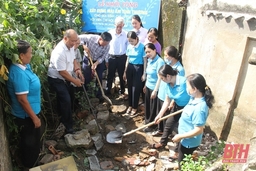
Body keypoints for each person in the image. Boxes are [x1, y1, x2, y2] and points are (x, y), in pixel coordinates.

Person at [7, 40, 42, 168]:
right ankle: (30, 167)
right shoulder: (18, 73)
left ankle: (33, 164)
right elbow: (22, 99)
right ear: (21, 55)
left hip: (31, 113)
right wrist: (34, 118)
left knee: (33, 144)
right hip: (26, 117)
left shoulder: (25, 66)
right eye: (30, 53)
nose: (31, 55)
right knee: (30, 145)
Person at [172, 73, 214, 170]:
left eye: (187, 86)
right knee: (182, 158)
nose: (186, 89)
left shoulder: (199, 108)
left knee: (183, 165)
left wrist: (180, 136)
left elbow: (198, 130)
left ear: (194, 89)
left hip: (189, 142)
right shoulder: (194, 98)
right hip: (185, 138)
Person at [48, 29, 84, 134]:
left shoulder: (71, 47)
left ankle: (66, 116)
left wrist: (77, 69)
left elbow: (73, 60)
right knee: (66, 99)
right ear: (65, 38)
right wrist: (75, 81)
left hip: (66, 76)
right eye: (72, 41)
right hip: (57, 78)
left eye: (75, 41)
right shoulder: (59, 52)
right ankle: (68, 127)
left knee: (70, 97)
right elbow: (62, 72)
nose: (74, 44)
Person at [152, 65, 190, 155]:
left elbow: (193, 96)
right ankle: (162, 142)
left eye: (162, 78)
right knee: (168, 124)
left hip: (187, 110)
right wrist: (160, 115)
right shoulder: (168, 84)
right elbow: (167, 100)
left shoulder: (184, 83)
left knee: (181, 130)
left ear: (168, 76)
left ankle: (178, 151)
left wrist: (188, 108)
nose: (162, 80)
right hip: (177, 107)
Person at [152, 46, 185, 136]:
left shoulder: (180, 69)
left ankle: (165, 133)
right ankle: (160, 129)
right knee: (160, 113)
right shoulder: (167, 65)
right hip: (163, 93)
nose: (165, 57)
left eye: (166, 55)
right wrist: (156, 90)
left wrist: (173, 101)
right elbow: (160, 78)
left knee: (167, 118)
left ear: (172, 56)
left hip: (170, 97)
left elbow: (178, 88)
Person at [79, 32, 112, 101]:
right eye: (104, 43)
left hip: (98, 61)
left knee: (99, 76)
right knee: (86, 77)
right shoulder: (91, 38)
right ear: (100, 39)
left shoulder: (107, 46)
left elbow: (103, 57)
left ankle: (99, 94)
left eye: (107, 44)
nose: (105, 46)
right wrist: (84, 46)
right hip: (88, 59)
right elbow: (78, 38)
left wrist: (96, 64)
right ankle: (86, 95)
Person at [142, 43, 165, 132]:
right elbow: (148, 74)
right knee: (147, 106)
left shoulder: (159, 61)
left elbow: (160, 77)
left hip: (155, 88)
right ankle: (147, 122)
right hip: (148, 86)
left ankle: (152, 125)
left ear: (155, 50)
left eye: (149, 51)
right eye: (146, 52)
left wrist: (155, 90)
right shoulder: (150, 60)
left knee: (153, 108)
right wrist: (145, 85)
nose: (147, 54)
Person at [123, 31, 146, 116]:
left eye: (132, 41)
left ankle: (135, 107)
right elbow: (127, 59)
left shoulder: (142, 47)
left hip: (138, 68)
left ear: (136, 38)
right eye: (129, 41)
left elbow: (145, 60)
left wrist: (144, 73)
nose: (131, 43)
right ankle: (130, 105)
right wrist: (125, 71)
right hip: (130, 67)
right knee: (129, 87)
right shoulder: (129, 47)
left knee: (136, 88)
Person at [106, 16, 128, 98]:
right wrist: (106, 59)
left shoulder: (126, 34)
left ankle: (122, 91)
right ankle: (108, 91)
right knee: (110, 75)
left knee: (122, 75)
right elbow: (106, 46)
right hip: (111, 57)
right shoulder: (110, 33)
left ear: (123, 25)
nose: (119, 28)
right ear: (114, 24)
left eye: (120, 26)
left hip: (122, 58)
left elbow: (128, 46)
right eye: (117, 26)